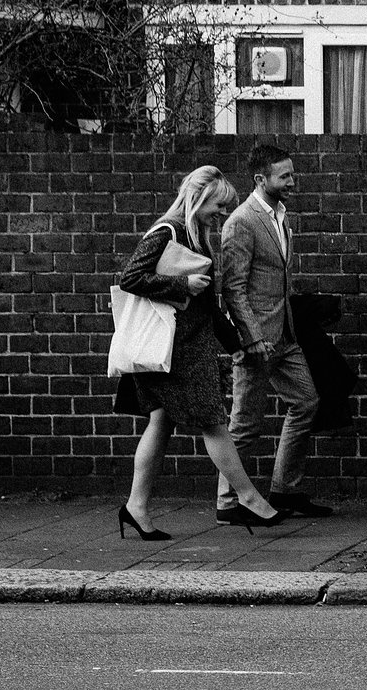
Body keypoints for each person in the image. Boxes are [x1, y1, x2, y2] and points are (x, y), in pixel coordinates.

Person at [114, 166, 288, 538]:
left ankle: (136, 507)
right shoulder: (169, 231)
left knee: (161, 424)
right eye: (218, 206)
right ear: (198, 198)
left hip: (186, 349)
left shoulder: (197, 238)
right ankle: (248, 498)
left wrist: (239, 345)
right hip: (173, 351)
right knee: (213, 421)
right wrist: (182, 283)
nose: (222, 214)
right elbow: (130, 278)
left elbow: (208, 307)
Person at [214, 141, 334, 519]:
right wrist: (250, 337)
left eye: (292, 174)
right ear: (260, 178)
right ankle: (227, 502)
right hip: (257, 340)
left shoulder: (279, 215)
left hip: (285, 335)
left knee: (307, 402)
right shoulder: (241, 222)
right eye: (285, 176)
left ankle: (284, 490)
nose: (292, 182)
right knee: (244, 425)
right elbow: (232, 289)